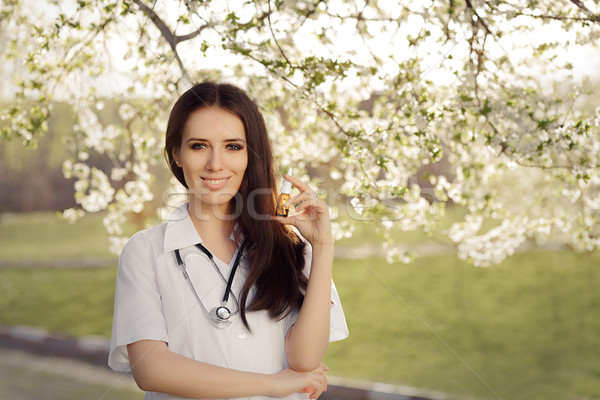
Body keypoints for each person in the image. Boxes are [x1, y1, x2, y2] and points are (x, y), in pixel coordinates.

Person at [108, 82, 349, 400]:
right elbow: (151, 369)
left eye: (233, 146)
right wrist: (270, 384)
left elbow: (304, 360)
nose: (215, 164)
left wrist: (322, 246)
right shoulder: (145, 252)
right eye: (199, 146)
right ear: (176, 154)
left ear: (251, 155)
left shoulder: (291, 249)